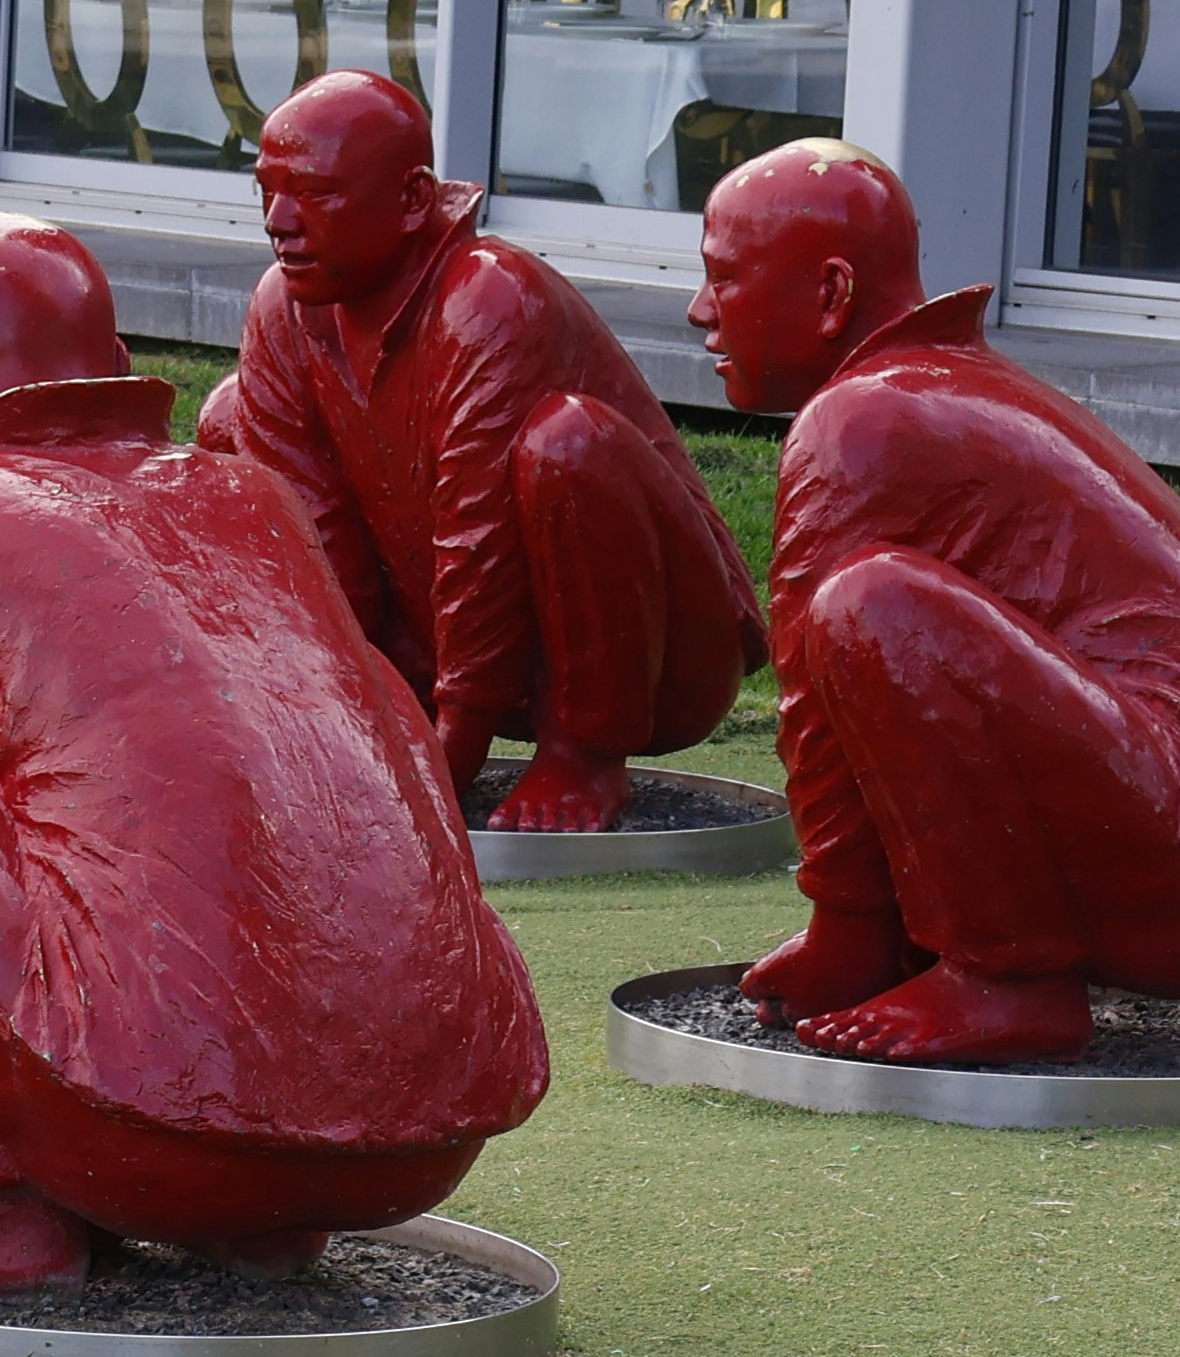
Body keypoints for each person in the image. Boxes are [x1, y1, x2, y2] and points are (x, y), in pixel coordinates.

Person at [0, 209, 549, 1295]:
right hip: (423, 1140)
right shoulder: (253, 497)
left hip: (153, 1137)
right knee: (322, 694)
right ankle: (262, 1224)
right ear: (114, 366)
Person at [686, 137, 1180, 1063]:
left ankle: (1006, 979)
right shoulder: (933, 389)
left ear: (832, 295)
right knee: (874, 618)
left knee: (868, 608)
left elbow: (811, 693)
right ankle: (957, 954)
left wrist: (844, 922)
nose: (697, 314)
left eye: (722, 279)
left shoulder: (864, 419)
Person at [197, 67, 759, 830]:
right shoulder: (286, 308)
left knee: (568, 443)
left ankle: (585, 752)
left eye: (317, 194)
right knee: (231, 416)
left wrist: (447, 757)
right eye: (266, 189)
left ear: (412, 202)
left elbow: (479, 537)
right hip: (435, 641)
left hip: (651, 661)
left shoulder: (488, 298)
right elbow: (311, 541)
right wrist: (334, 718)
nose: (279, 220)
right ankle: (394, 713)